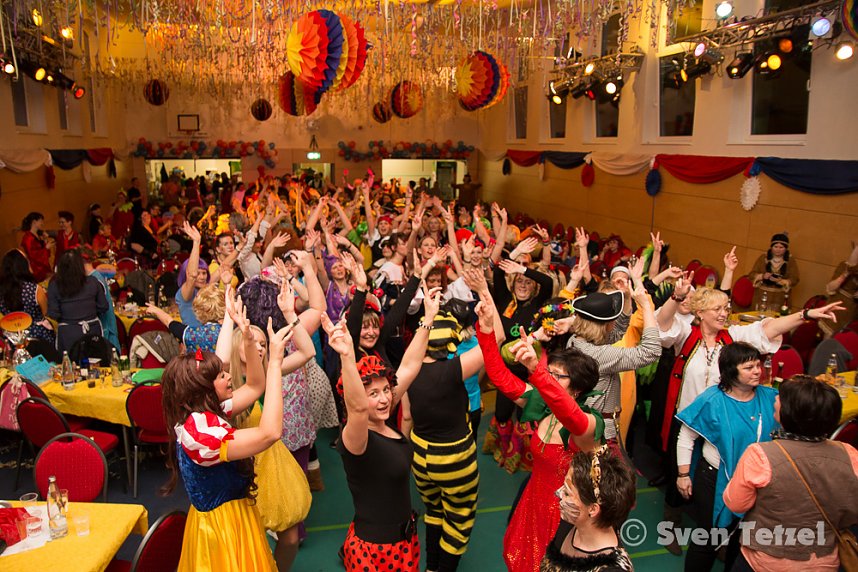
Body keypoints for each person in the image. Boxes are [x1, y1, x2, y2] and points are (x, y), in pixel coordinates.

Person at [474, 283, 603, 571]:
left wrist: (537, 371)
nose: (551, 378)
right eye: (551, 373)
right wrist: (484, 331)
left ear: (579, 389)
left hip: (566, 516)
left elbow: (570, 415)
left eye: (560, 376)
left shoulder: (589, 423)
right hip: (533, 501)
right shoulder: (543, 405)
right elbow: (499, 376)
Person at [161, 305, 292, 571]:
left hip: (235, 518)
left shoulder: (207, 411)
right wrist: (275, 362)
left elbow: (255, 386)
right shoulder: (200, 433)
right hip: (221, 530)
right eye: (221, 375)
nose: (229, 375)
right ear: (203, 388)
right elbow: (270, 433)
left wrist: (244, 336)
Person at [323, 283, 439, 572]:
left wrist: (428, 319)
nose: (385, 398)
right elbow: (359, 408)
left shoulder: (383, 415)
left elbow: (410, 367)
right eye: (372, 393)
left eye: (386, 390)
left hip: (405, 540)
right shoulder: (356, 437)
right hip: (375, 551)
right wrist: (347, 355)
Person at [724, 374, 858, 572]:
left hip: (764, 560)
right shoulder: (849, 454)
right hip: (823, 559)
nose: (776, 399)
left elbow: (735, 503)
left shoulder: (760, 455)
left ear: (792, 413)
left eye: (781, 398)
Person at [222, 288, 313, 571]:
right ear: (241, 342)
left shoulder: (272, 368)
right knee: (248, 541)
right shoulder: (227, 383)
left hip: (273, 465)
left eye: (264, 343)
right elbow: (221, 357)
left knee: (290, 538)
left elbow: (308, 352)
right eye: (254, 341)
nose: (260, 347)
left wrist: (289, 314)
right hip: (242, 471)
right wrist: (231, 319)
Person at [675, 343, 779, 570]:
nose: (757, 371)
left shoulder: (771, 397)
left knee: (741, 537)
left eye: (758, 366)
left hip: (755, 482)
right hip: (714, 479)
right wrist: (683, 474)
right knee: (708, 536)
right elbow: (686, 437)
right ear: (731, 371)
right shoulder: (712, 399)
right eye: (749, 367)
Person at [540, 447, 636, 571]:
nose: (558, 493)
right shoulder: (570, 522)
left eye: (567, 493)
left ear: (593, 509)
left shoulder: (612, 569)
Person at [47, 249, 108, 353]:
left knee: (71, 366)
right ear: (80, 265)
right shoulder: (93, 282)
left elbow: (53, 314)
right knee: (96, 364)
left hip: (68, 334)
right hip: (92, 331)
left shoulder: (54, 286)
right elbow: (103, 306)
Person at [0, 249, 54, 343]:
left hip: (13, 339)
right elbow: (47, 313)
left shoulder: (2, 291)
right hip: (38, 337)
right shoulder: (34, 289)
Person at [751, 232, 799, 310]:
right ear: (771, 247)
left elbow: (795, 278)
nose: (778, 250)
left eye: (781, 247)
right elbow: (752, 274)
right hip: (762, 295)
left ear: (786, 248)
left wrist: (782, 281)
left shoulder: (790, 260)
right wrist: (762, 276)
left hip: (780, 297)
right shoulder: (763, 258)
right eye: (775, 246)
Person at [821, 239, 858, 335]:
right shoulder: (843, 265)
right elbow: (830, 287)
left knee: (845, 338)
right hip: (837, 304)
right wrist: (845, 275)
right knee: (828, 337)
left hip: (853, 310)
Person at [20, 211, 53, 282]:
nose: (42, 223)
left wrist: (45, 242)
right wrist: (46, 248)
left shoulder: (38, 235)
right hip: (37, 269)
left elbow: (45, 252)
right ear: (34, 222)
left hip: (43, 266)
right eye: (41, 221)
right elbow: (32, 255)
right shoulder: (28, 238)